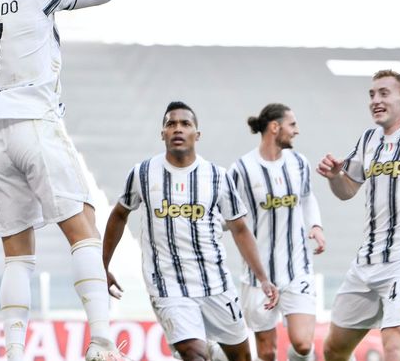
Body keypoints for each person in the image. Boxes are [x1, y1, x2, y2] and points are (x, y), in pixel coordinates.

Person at [0, 0, 120, 361]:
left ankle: (14, 351)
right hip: (34, 120)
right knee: (83, 229)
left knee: (16, 254)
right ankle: (103, 341)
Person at [103, 101, 279, 361]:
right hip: (168, 286)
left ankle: (214, 352)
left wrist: (263, 278)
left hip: (215, 283)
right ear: (162, 133)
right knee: (193, 354)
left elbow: (240, 229)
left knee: (241, 357)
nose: (177, 129)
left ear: (197, 134)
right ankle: (203, 350)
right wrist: (102, 265)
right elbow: (119, 215)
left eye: (185, 124)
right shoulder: (142, 174)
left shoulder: (217, 176)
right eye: (170, 124)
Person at [317, 69, 400, 361]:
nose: (375, 100)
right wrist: (336, 176)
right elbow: (347, 190)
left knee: (396, 346)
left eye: (384, 93)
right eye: (372, 94)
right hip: (367, 263)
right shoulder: (368, 139)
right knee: (334, 348)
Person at [228, 104, 326, 361]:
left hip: (297, 268)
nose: (297, 130)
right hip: (257, 275)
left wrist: (315, 225)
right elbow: (231, 217)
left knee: (303, 344)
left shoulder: (299, 163)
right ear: (275, 127)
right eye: (292, 124)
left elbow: (306, 198)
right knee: (267, 352)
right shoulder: (241, 169)